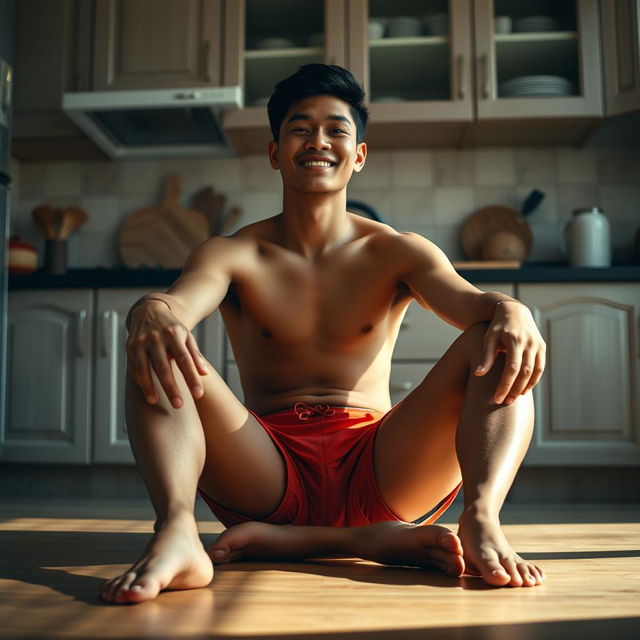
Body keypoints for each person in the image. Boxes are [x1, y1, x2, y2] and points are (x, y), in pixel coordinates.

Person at [100, 64, 546, 604]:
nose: (318, 141)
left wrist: (511, 309)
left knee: (495, 338)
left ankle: (480, 517)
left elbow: (474, 304)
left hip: (380, 468)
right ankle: (176, 530)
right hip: (265, 470)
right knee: (158, 342)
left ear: (358, 154)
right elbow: (179, 303)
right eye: (300, 127)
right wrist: (152, 307)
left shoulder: (399, 250)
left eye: (336, 128)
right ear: (274, 152)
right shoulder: (232, 252)